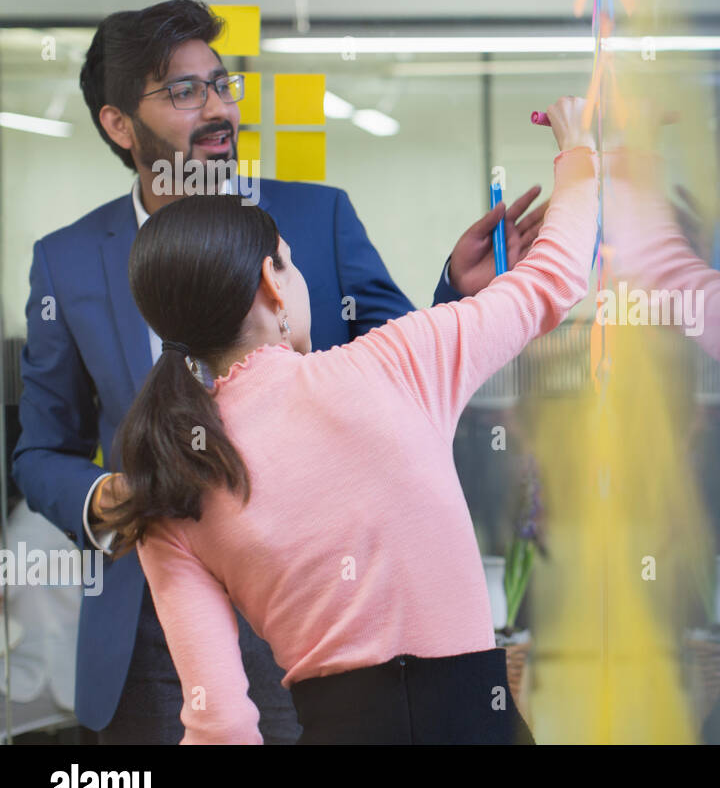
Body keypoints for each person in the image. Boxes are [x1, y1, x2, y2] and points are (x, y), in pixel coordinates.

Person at [10, 0, 546, 744]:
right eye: (184, 90)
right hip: (156, 631)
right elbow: (40, 452)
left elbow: (392, 363)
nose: (219, 107)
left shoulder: (317, 219)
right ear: (118, 125)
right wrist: (114, 496)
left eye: (221, 84)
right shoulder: (67, 261)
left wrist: (454, 297)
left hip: (327, 624)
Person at [95, 96, 600, 744]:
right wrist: (581, 149)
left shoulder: (173, 486)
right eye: (291, 261)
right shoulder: (396, 365)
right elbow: (554, 277)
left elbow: (219, 723)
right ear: (272, 286)